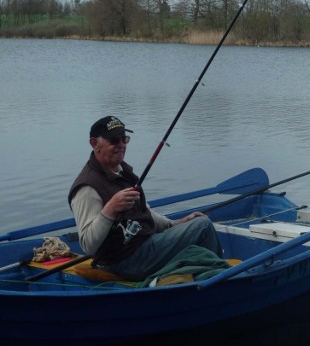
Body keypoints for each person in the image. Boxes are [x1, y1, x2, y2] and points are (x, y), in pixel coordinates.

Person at [68, 116, 224, 281]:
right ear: (94, 143)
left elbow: (144, 211)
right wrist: (110, 209)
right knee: (203, 227)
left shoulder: (121, 172)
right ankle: (217, 281)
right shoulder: (87, 188)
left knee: (197, 224)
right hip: (126, 261)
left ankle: (204, 277)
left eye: (124, 139)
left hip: (146, 246)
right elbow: (87, 245)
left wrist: (173, 224)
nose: (121, 145)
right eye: (114, 140)